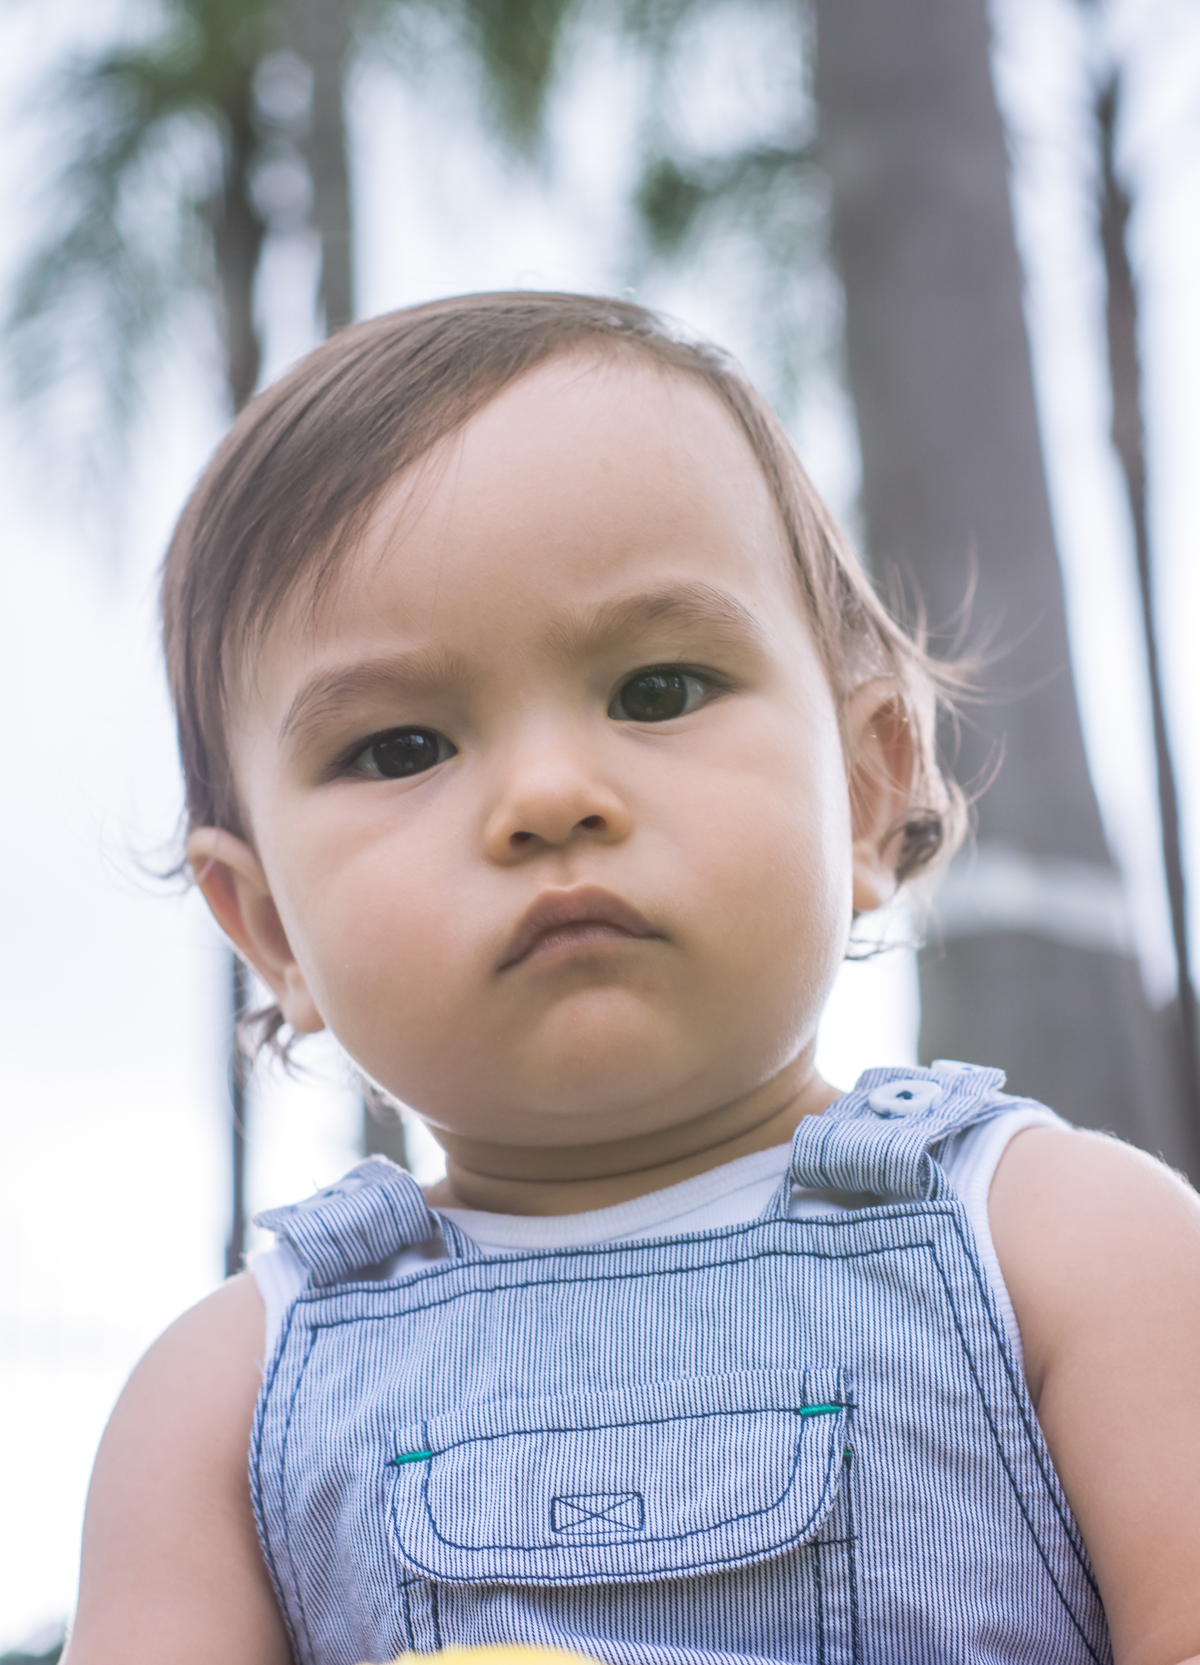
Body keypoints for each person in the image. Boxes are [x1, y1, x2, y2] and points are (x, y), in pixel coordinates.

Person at [64, 294, 1200, 1665]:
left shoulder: (1077, 1258)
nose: (548, 796)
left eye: (657, 689)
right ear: (268, 931)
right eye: (404, 746)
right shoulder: (218, 1411)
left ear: (864, 787)